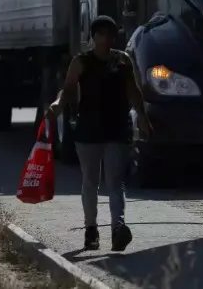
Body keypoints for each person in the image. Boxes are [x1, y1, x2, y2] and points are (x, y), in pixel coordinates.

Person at [45, 15, 153, 252]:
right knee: (91, 181)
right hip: (89, 130)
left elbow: (133, 90)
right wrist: (57, 106)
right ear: (92, 37)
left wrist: (142, 118)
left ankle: (118, 229)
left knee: (115, 180)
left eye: (110, 34)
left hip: (117, 128)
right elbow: (68, 89)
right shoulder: (82, 61)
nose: (106, 39)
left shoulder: (122, 60)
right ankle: (91, 229)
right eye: (101, 34)